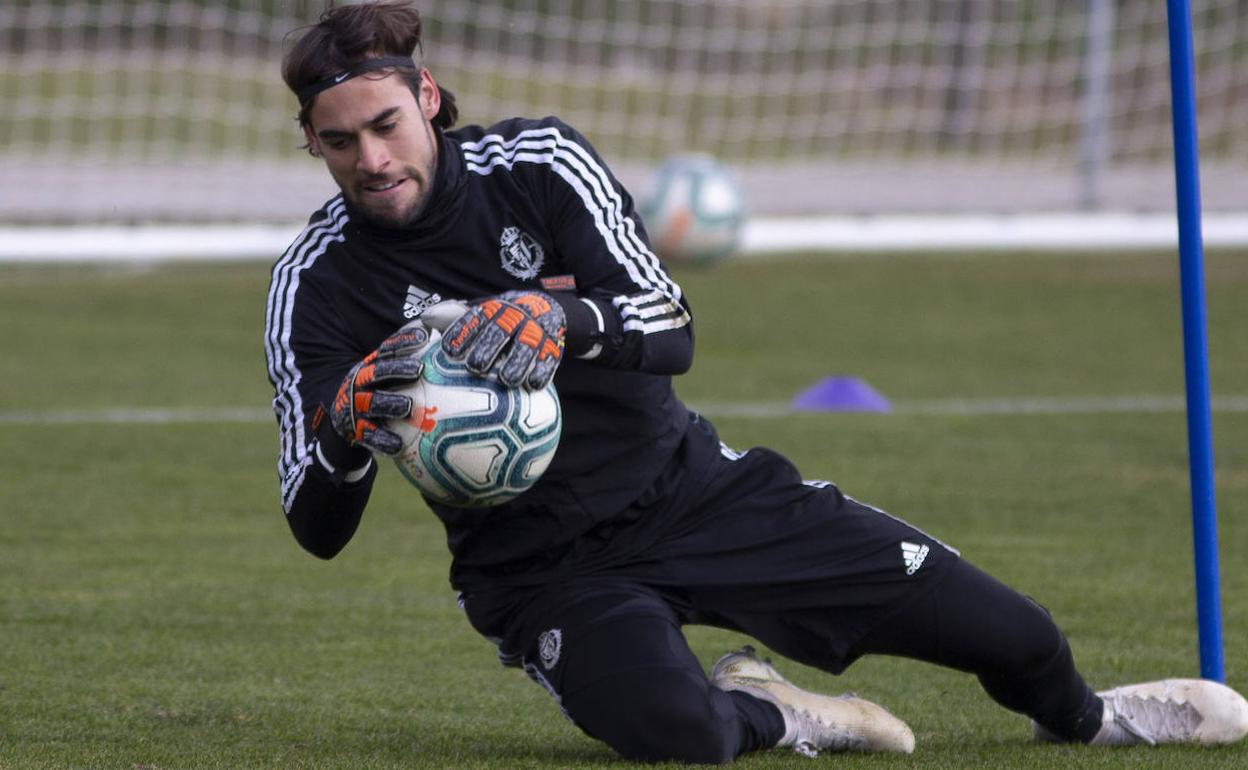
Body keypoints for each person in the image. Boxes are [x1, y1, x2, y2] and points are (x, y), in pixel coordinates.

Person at [264, 1, 1248, 762]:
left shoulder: (540, 166)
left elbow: (669, 326)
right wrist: (349, 427)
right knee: (680, 732)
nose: (373, 158)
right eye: (341, 141)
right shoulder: (315, 286)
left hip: (700, 493)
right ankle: (775, 709)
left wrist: (560, 318)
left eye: (386, 124)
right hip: (541, 568)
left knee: (1019, 635)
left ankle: (1095, 719)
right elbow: (313, 524)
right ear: (312, 143)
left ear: (427, 96)